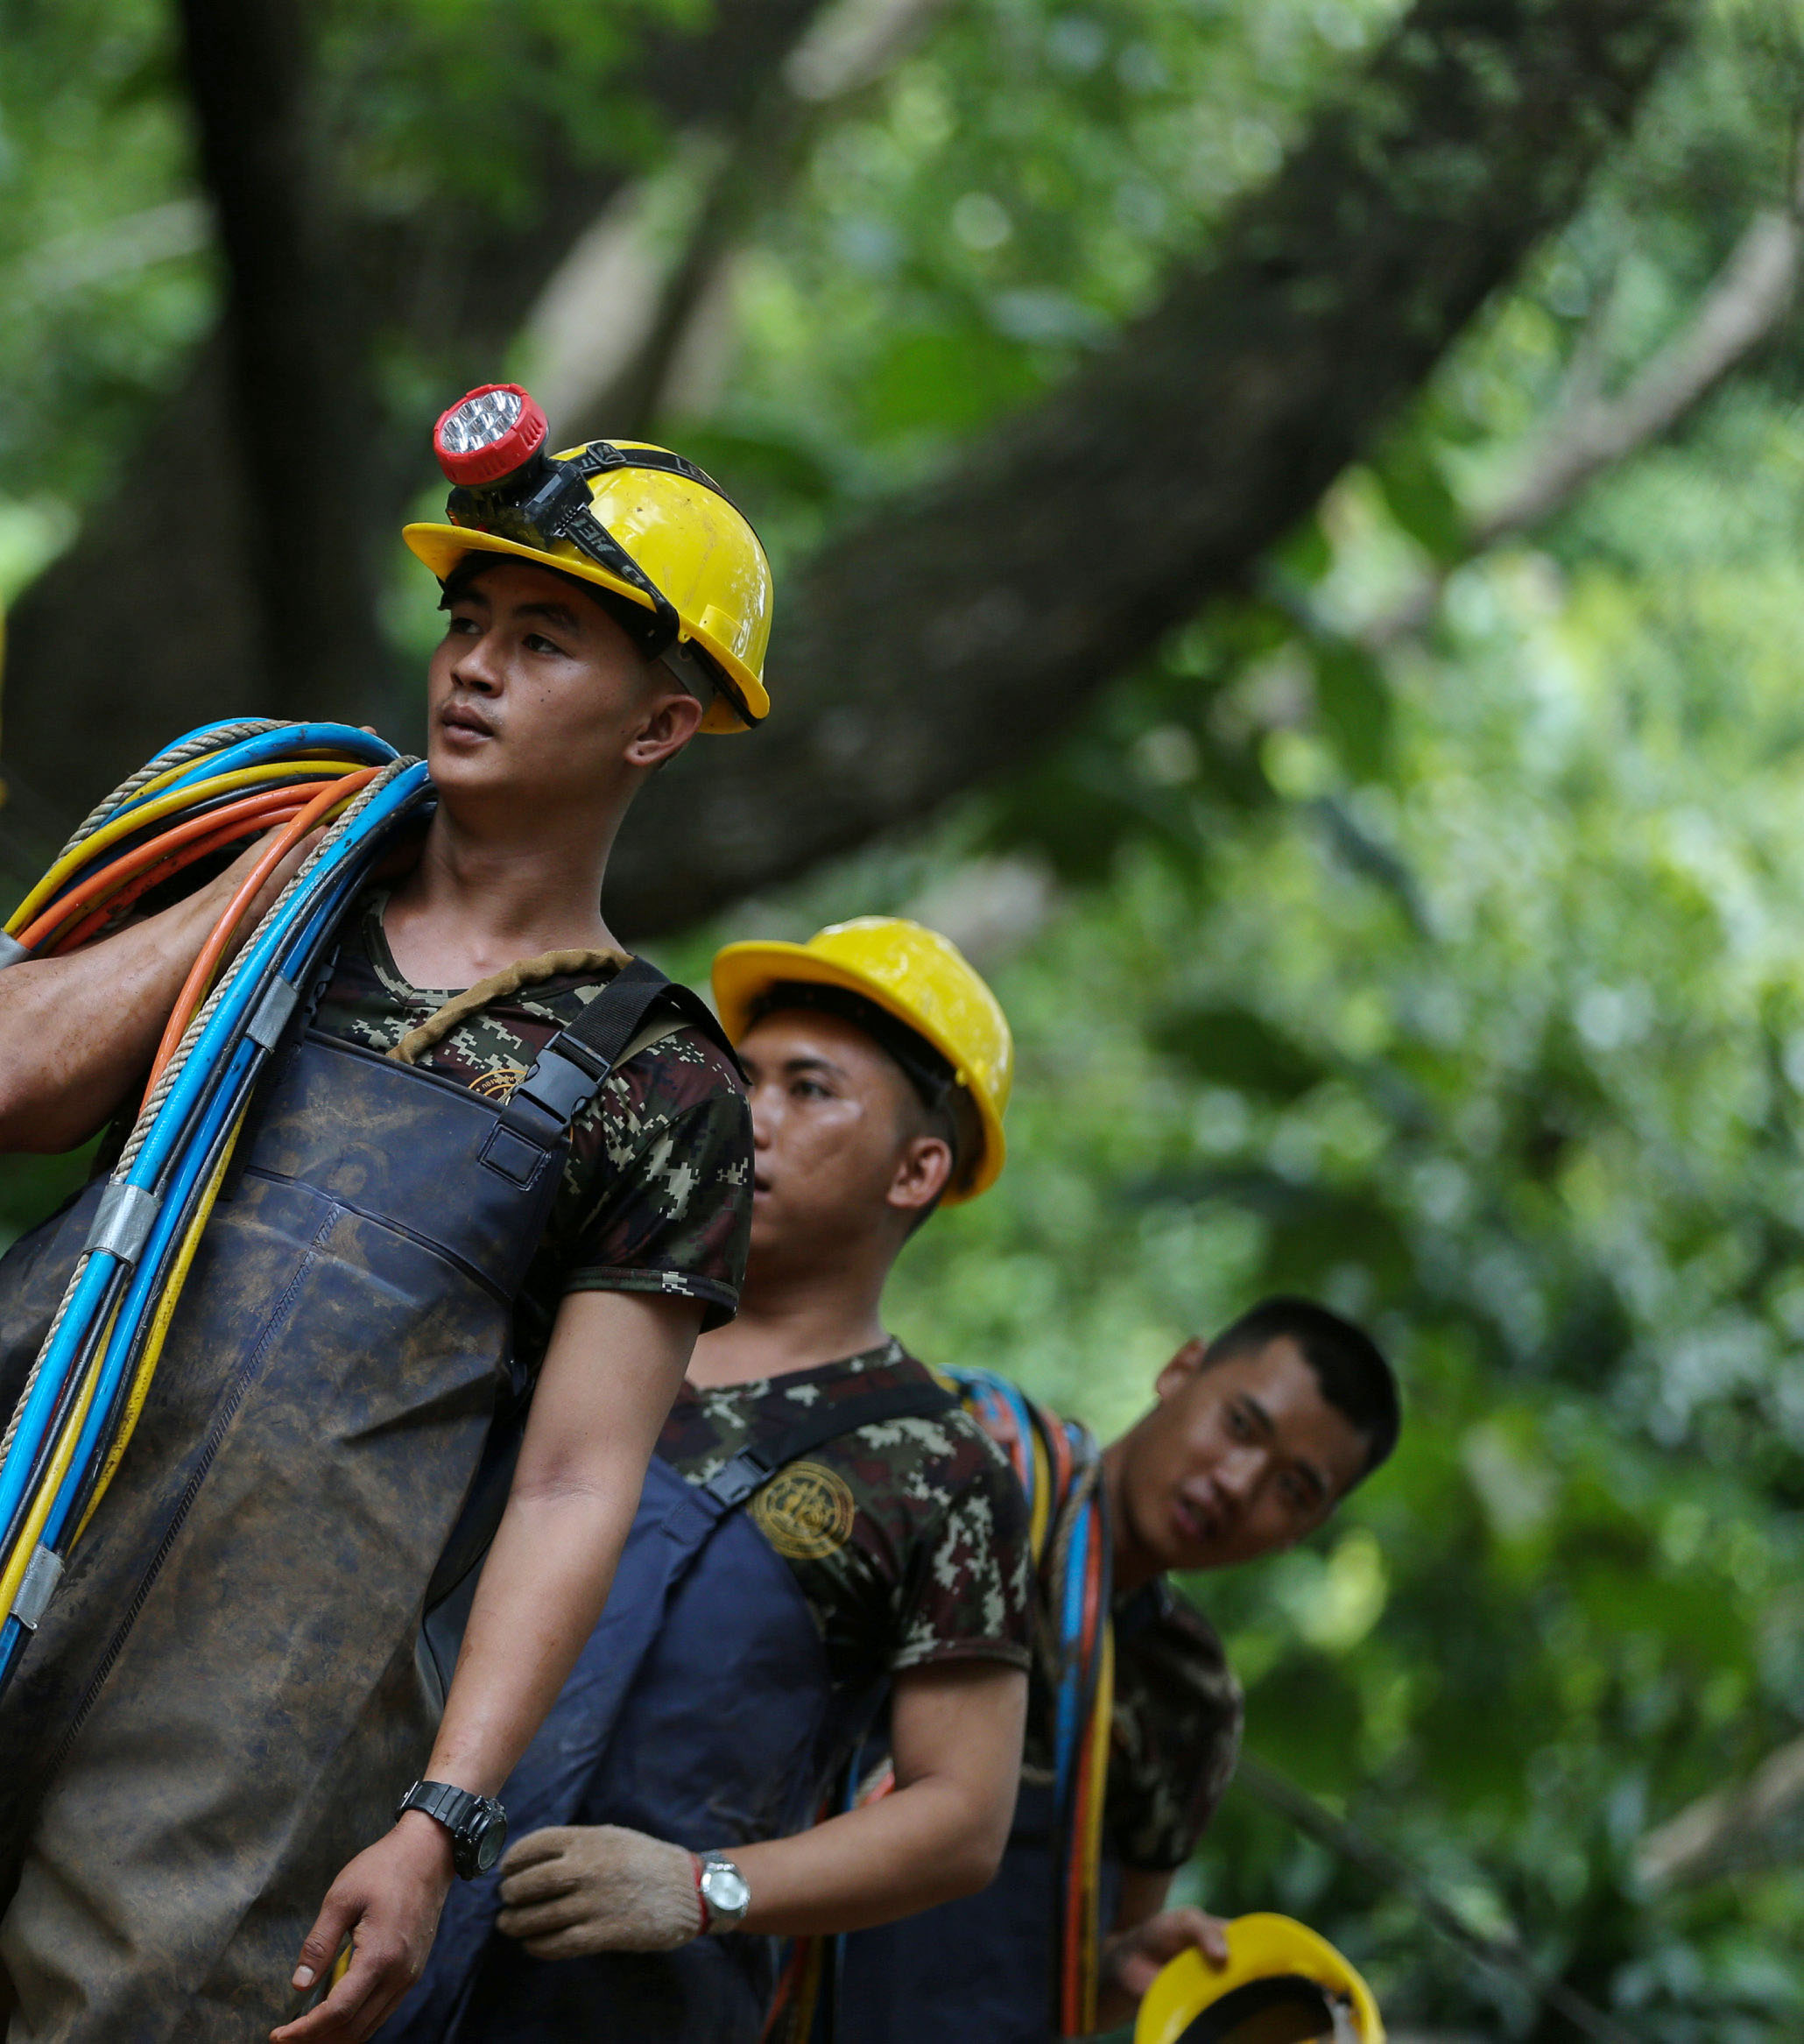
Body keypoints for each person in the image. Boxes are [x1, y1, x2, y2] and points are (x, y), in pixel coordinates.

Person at [0, 384, 771, 2044]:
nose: (475, 664)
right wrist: (286, 871)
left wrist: (444, 1816)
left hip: (251, 1728)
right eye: (469, 618)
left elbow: (575, 1480)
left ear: (661, 723)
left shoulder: (665, 1086)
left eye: (548, 638)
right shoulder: (263, 864)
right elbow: (14, 1082)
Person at [379, 916, 1035, 2044]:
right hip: (359, 1902)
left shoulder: (941, 1469)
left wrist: (702, 1888)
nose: (751, 1114)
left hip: (619, 2011)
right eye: (747, 1077)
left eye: (810, 1090)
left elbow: (962, 1817)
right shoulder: (561, 1314)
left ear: (917, 1168)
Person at [838, 1295, 1402, 2041]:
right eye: (1239, 1425)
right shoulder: (963, 1467)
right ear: (1180, 1371)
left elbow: (1080, 1990)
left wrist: (1133, 1969)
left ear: (1308, 1529)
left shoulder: (1188, 1700)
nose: (1237, 1484)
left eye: (1292, 1489)